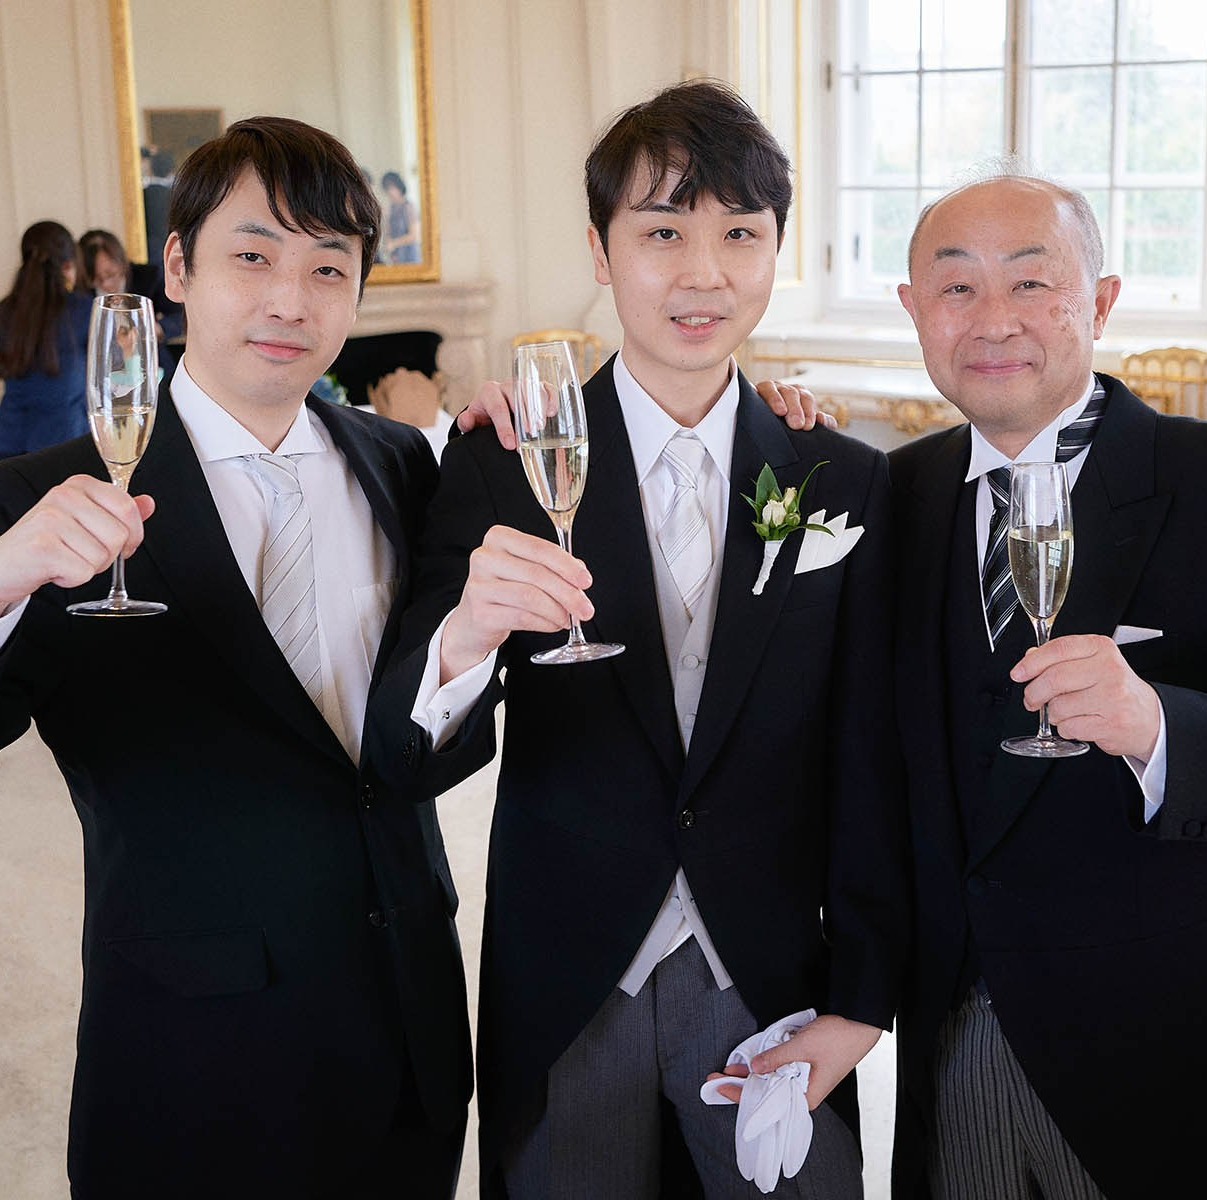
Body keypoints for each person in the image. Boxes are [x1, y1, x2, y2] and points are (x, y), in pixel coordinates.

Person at [0, 117, 504, 1197]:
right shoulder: (46, 499)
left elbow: (425, 737)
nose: (291, 298)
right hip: (195, 1062)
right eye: (253, 256)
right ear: (176, 267)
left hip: (407, 1028)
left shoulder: (400, 466)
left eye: (330, 267)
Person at [368, 80, 908, 1198]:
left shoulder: (839, 479)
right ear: (602, 253)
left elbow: (873, 763)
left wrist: (863, 998)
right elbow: (408, 752)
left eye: (738, 236)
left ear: (774, 254)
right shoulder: (499, 460)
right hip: (569, 971)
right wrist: (470, 630)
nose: (702, 273)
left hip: (771, 979)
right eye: (662, 232)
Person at [886, 173, 1207, 1199]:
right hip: (948, 1034)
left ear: (1102, 303)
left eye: (1032, 285)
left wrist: (1158, 724)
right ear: (913, 312)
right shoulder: (895, 496)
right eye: (956, 289)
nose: (993, 322)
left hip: (1165, 1039)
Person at [0, 221, 96, 461]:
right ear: (69, 265)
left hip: (9, 440)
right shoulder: (85, 310)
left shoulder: (1, 312)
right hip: (66, 442)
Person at [79, 228, 187, 342]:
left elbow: (181, 316)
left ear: (121, 262)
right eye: (96, 279)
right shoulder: (80, 292)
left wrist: (157, 328)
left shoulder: (148, 277)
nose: (106, 284)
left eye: (110, 274)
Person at [380, 171, 420, 264]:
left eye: (392, 188)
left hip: (410, 257)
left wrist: (394, 243)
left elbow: (414, 235)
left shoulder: (408, 207)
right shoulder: (391, 209)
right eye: (387, 189)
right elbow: (388, 234)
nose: (390, 192)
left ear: (399, 187)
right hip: (396, 258)